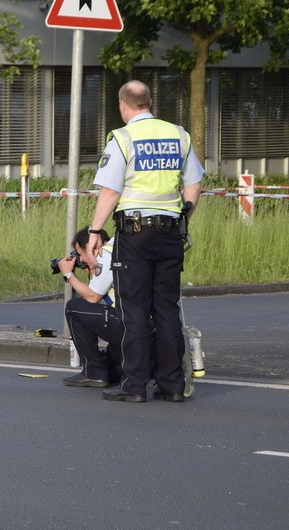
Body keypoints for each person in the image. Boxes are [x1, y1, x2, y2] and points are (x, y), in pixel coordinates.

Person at [87, 80, 204, 403]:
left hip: (135, 235)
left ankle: (134, 384)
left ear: (123, 105)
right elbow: (194, 186)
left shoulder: (123, 138)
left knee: (135, 310)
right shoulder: (179, 134)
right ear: (149, 103)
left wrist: (96, 232)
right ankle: (172, 385)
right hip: (170, 234)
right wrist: (181, 221)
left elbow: (110, 191)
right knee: (167, 309)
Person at [60, 227, 123, 388]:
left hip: (127, 323)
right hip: (144, 321)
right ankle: (114, 369)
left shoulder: (105, 255)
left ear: (91, 246)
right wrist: (92, 270)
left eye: (80, 254)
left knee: (73, 308)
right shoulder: (119, 245)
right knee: (110, 366)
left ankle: (93, 373)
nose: (81, 260)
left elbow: (92, 297)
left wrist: (69, 275)